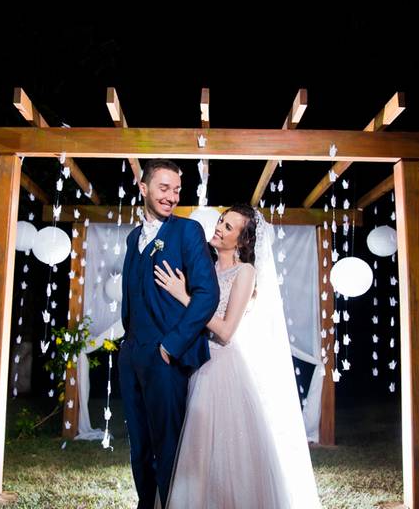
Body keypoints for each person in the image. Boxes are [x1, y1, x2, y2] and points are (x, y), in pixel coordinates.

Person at [154, 204, 320, 508]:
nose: (218, 228)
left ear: (243, 240)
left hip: (220, 367)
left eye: (228, 227)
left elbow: (227, 330)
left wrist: (184, 296)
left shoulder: (245, 272)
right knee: (192, 454)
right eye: (220, 221)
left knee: (220, 454)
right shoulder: (202, 266)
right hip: (192, 362)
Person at [119, 159, 220, 509]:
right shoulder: (134, 238)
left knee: (168, 444)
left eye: (177, 190)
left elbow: (208, 294)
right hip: (131, 354)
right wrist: (126, 345)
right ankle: (147, 503)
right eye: (164, 188)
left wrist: (171, 345)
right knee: (139, 444)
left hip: (164, 356)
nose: (172, 196)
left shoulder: (187, 231)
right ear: (143, 188)